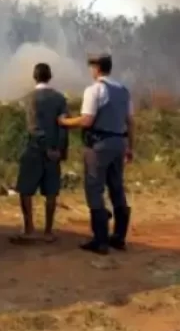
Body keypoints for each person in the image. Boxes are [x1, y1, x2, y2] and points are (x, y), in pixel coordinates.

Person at [59, 52, 133, 255]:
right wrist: (130, 147)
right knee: (117, 188)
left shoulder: (94, 90)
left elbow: (87, 120)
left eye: (91, 67)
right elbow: (130, 121)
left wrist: (64, 122)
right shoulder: (123, 90)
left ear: (96, 69)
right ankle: (119, 238)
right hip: (119, 142)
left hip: (99, 145)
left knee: (94, 189)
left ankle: (100, 240)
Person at [11, 62, 69, 245]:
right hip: (53, 152)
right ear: (50, 76)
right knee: (51, 192)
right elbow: (63, 127)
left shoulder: (29, 99)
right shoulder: (60, 99)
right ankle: (48, 232)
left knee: (25, 190)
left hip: (34, 150)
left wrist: (42, 147)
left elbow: (31, 128)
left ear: (34, 77)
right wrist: (59, 151)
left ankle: (29, 229)